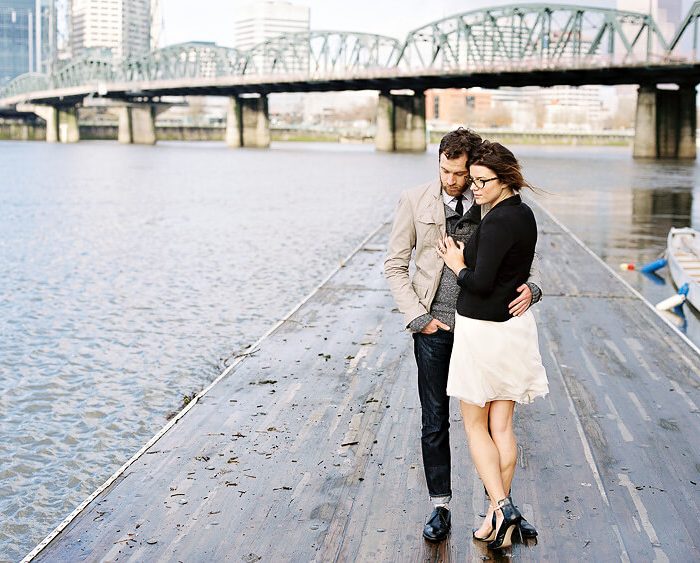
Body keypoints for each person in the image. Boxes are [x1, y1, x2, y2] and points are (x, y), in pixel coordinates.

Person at [384, 128, 541, 543]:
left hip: (484, 328)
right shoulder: (415, 200)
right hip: (435, 327)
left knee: (494, 425)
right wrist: (419, 318)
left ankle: (498, 507)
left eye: (460, 173)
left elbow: (520, 259)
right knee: (435, 419)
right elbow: (395, 265)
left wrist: (534, 289)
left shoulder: (490, 195)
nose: (452, 181)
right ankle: (441, 505)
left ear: (474, 168)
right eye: (445, 170)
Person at [437, 140, 549, 550]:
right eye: (474, 181)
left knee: (474, 426)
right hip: (513, 330)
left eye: (482, 182)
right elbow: (509, 272)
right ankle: (492, 520)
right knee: (502, 426)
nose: (474, 188)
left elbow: (481, 283)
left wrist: (458, 264)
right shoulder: (524, 214)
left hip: (482, 331)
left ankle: (502, 506)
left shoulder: (499, 220)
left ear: (506, 179)